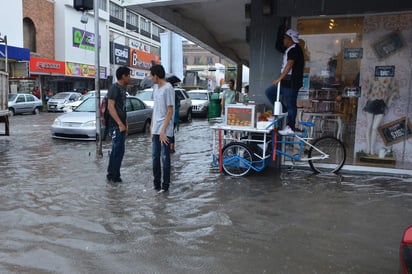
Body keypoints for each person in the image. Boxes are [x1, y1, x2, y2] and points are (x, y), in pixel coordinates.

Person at [265, 28, 304, 135]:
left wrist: (279, 78)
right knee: (269, 92)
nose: (284, 40)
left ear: (289, 39)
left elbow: (289, 64)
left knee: (291, 104)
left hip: (291, 82)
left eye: (285, 38)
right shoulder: (289, 49)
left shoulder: (295, 49)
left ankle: (290, 126)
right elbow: (278, 47)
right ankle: (285, 110)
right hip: (285, 82)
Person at [150, 64, 175, 193]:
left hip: (165, 130)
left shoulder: (168, 88)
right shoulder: (156, 88)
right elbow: (155, 108)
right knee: (155, 158)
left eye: (151, 75)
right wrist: (151, 126)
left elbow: (170, 111)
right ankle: (156, 185)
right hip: (155, 129)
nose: (150, 78)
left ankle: (165, 187)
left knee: (165, 158)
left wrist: (163, 130)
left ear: (156, 75)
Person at [106, 66, 130, 183]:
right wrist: (120, 124)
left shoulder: (123, 89)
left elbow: (123, 109)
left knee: (120, 150)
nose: (130, 77)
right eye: (128, 75)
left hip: (121, 125)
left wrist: (126, 124)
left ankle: (114, 175)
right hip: (115, 125)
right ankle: (113, 176)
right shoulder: (114, 88)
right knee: (116, 150)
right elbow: (110, 107)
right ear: (123, 76)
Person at [363, 76, 398, 155]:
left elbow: (395, 91)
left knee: (374, 128)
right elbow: (366, 91)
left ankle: (372, 148)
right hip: (371, 102)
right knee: (369, 126)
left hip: (382, 104)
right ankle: (368, 148)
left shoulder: (390, 78)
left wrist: (389, 100)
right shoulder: (372, 77)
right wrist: (370, 96)